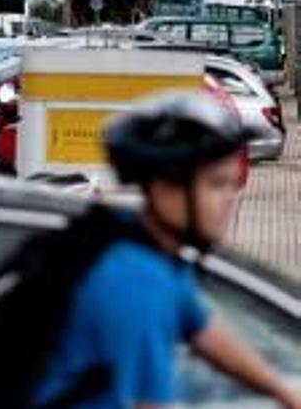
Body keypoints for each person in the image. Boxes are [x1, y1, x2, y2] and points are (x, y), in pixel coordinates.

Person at [32, 92, 301, 408]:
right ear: (164, 189)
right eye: (216, 184)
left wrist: (282, 391)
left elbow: (201, 327)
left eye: (232, 185)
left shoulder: (133, 240)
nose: (231, 199)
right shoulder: (135, 284)